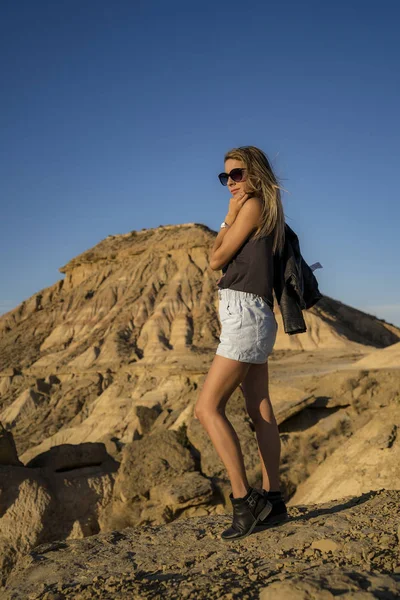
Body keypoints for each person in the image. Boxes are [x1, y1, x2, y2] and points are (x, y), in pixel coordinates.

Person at [194, 145, 289, 541]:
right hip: (255, 314)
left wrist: (228, 217)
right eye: (225, 177)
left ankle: (243, 502)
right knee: (258, 405)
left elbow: (215, 259)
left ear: (255, 174)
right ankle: (274, 500)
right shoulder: (266, 208)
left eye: (237, 174)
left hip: (246, 315)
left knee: (206, 408)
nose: (231, 183)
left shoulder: (251, 207)